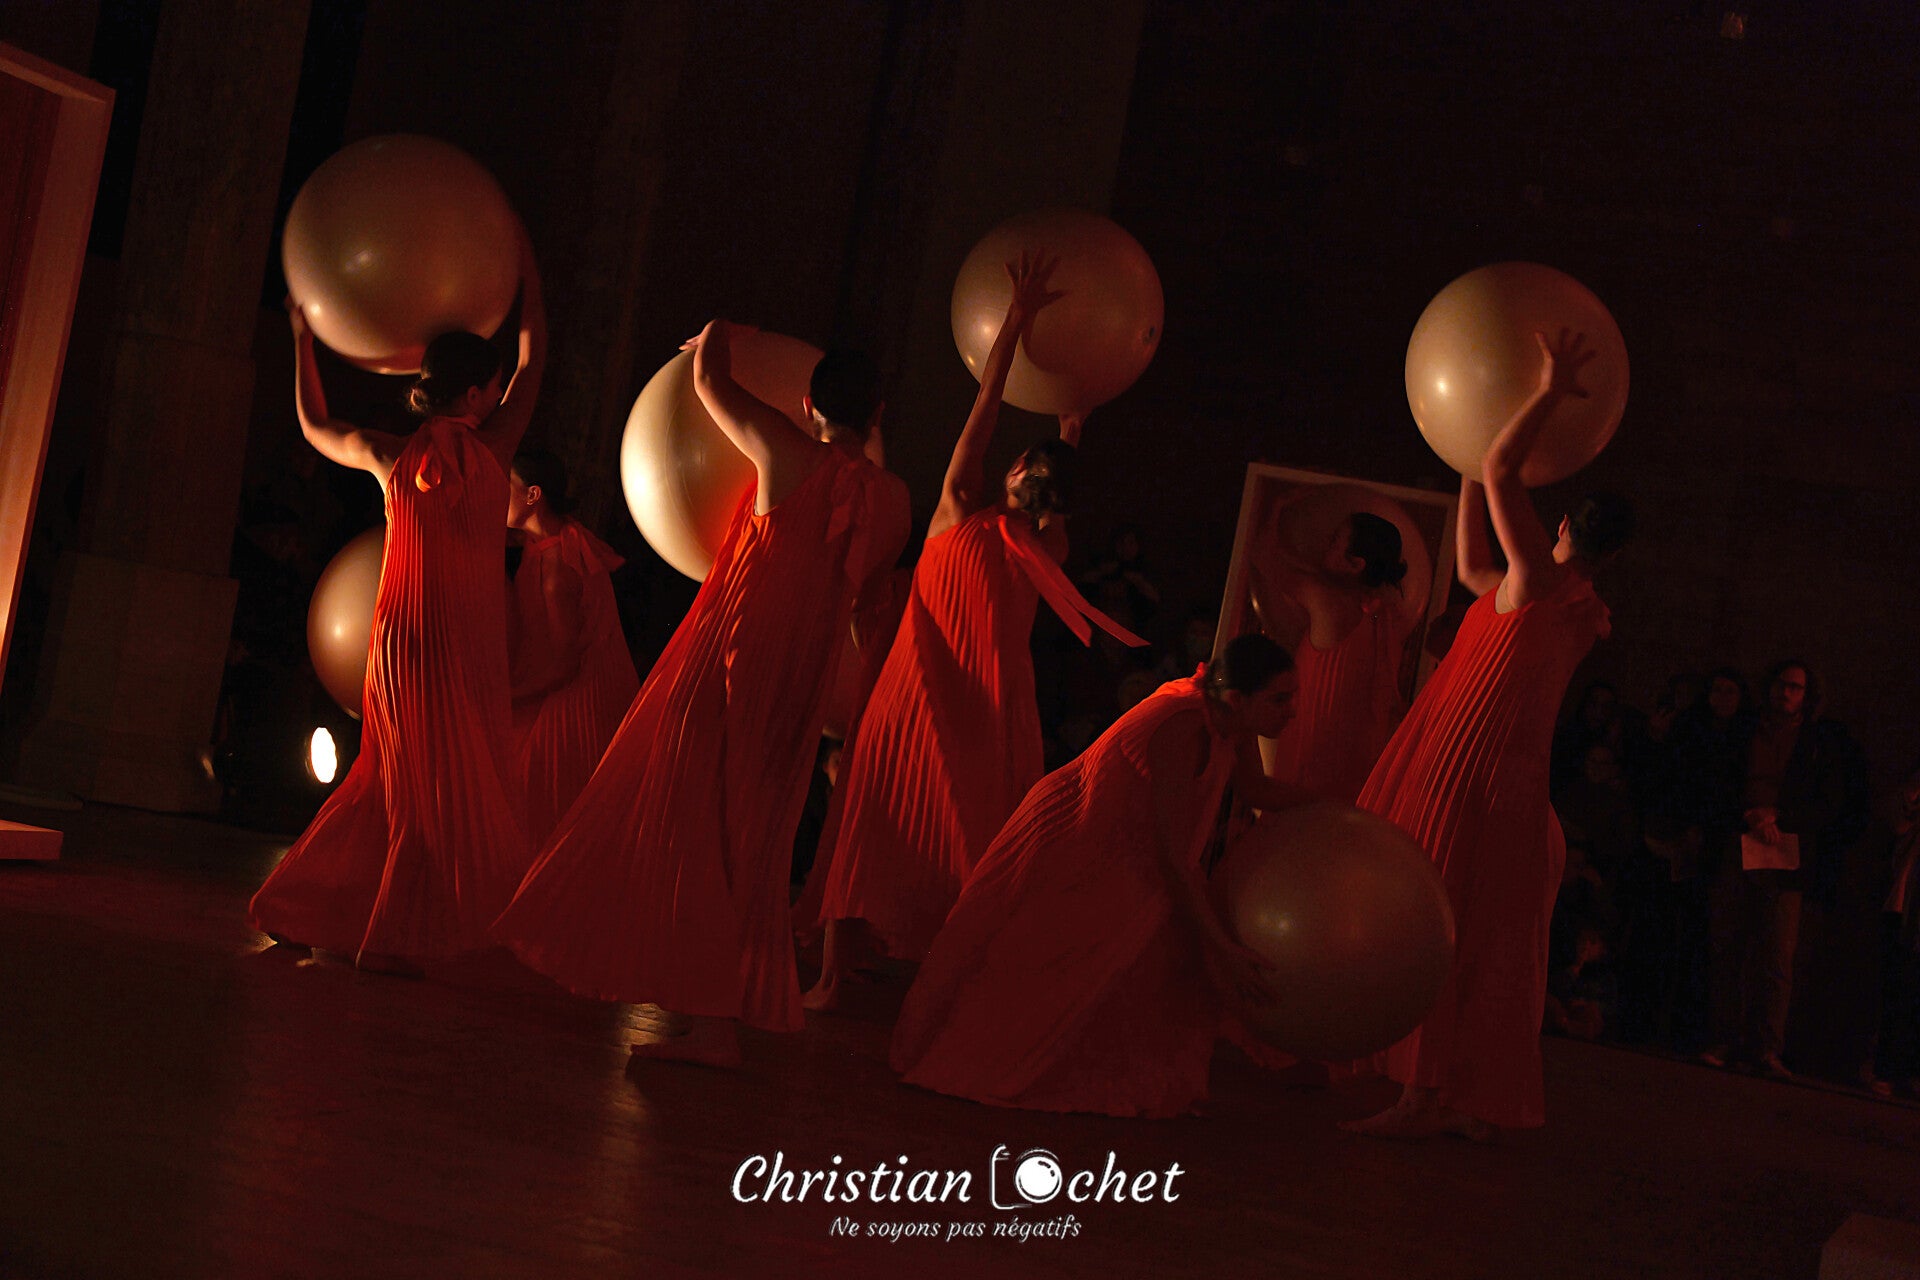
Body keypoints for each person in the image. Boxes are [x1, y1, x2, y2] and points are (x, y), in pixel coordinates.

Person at [495, 322, 910, 1066]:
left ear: (809, 403)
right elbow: (868, 604)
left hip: (737, 654)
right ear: (877, 415)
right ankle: (721, 1008)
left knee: (698, 815)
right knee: (756, 830)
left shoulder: (787, 451)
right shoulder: (895, 499)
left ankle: (713, 1018)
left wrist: (727, 332)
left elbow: (709, 380)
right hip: (805, 673)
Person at [805, 253, 1146, 1010]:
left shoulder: (959, 507)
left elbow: (986, 404)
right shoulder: (1049, 547)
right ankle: (959, 977)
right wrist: (1071, 435)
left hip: (917, 699)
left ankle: (834, 977)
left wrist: (1016, 319)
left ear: (1016, 470)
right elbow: (1054, 494)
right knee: (974, 839)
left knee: (872, 820)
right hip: (993, 713)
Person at [1343, 329, 1632, 1139]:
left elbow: (1505, 470)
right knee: (1476, 932)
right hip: (1503, 777)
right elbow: (1474, 564)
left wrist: (1546, 391)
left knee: (1436, 922)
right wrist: (1465, 459)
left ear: (1563, 521)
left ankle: (1422, 1094)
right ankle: (1454, 1092)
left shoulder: (1541, 581)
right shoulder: (1566, 602)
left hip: (1465, 772)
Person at [249, 231, 545, 970]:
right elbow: (537, 360)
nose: (498, 396)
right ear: (475, 395)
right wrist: (525, 271)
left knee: (394, 779)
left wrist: (301, 339)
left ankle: (311, 906)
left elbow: (315, 426)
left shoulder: (392, 453)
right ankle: (394, 932)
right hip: (463, 642)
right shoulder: (495, 448)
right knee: (434, 782)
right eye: (491, 387)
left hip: (408, 641)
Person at [889, 633, 1310, 1117]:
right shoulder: (1184, 728)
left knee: (1146, 964)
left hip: (1129, 852)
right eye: (1279, 700)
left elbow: (1255, 789)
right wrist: (1223, 947)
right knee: (1045, 971)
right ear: (1238, 698)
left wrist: (1333, 807)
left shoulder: (1227, 717)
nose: (1291, 712)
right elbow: (1174, 858)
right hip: (1082, 841)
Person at [1701, 659, 1866, 1078]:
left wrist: (1779, 816)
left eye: (1795, 687)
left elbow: (1828, 803)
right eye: (1781, 685)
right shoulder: (1744, 730)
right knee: (1727, 946)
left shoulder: (1818, 742)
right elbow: (1720, 781)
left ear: (1807, 696)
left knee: (1776, 956)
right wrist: (1750, 814)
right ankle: (1723, 1039)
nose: (1785, 693)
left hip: (1785, 854)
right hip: (1740, 843)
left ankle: (1766, 1047)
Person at [504, 448, 640, 843]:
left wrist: (505, 697)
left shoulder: (557, 565)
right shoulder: (550, 537)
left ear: (533, 495)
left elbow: (565, 665)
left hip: (576, 705)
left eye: (503, 486)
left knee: (533, 811)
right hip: (566, 689)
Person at [1249, 505, 1413, 803]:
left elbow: (1263, 554)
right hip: (1356, 778)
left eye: (1336, 540)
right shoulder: (1388, 616)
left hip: (1309, 775)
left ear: (1355, 564)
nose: (1326, 544)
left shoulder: (1329, 601)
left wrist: (1278, 505)